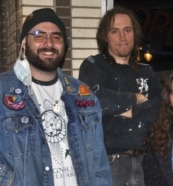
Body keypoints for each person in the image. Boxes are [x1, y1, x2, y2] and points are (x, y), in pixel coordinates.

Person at [0, 8, 112, 186]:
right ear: (23, 43)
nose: (49, 43)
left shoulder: (83, 94)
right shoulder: (3, 92)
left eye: (57, 37)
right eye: (39, 35)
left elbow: (99, 166)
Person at [78, 6, 162, 186]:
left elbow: (160, 112)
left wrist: (124, 110)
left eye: (127, 30)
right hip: (108, 164)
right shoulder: (93, 66)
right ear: (105, 36)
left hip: (148, 163)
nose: (122, 37)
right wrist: (136, 99)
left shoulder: (147, 72)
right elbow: (94, 102)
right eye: (115, 31)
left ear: (135, 34)